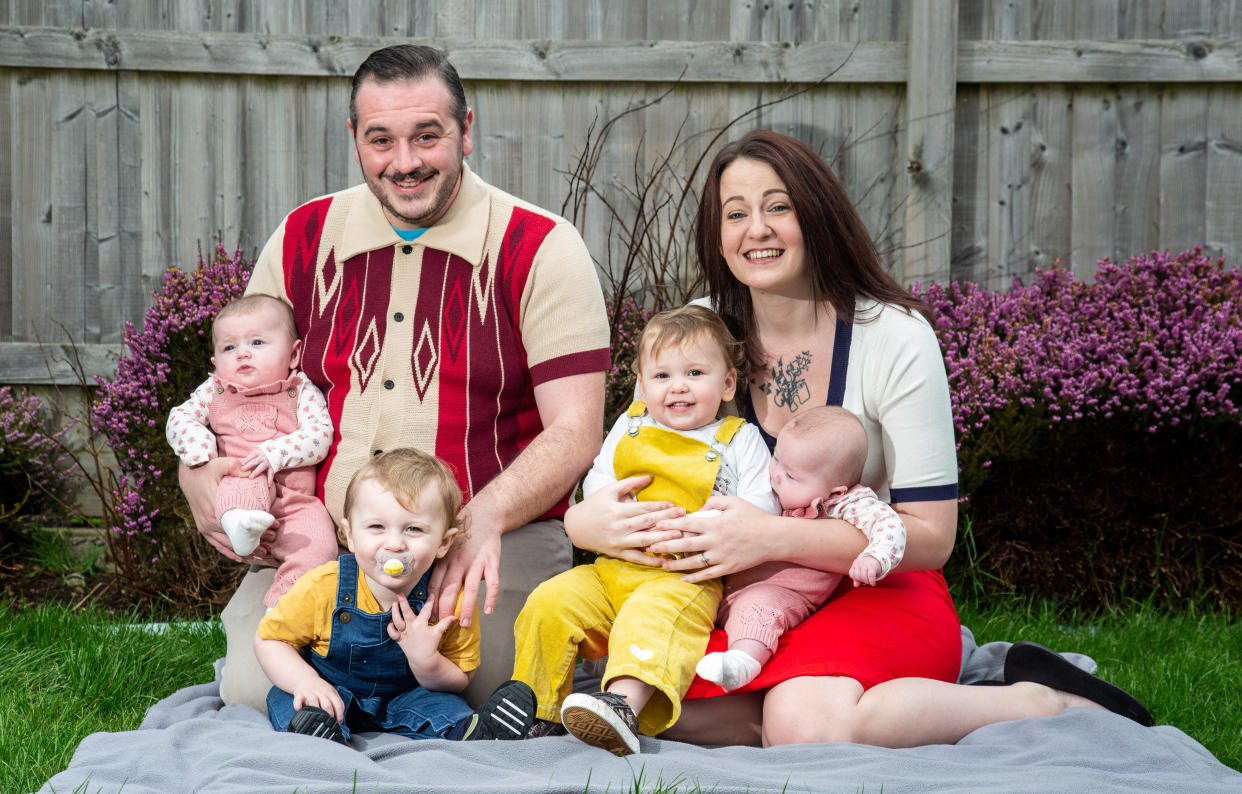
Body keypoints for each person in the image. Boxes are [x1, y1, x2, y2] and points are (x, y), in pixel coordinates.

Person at [564, 129, 1152, 750]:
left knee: (803, 727)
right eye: (735, 214)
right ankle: (794, 699)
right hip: (738, 588)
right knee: (661, 708)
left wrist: (767, 535)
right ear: (718, 235)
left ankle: (1034, 699)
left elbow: (932, 536)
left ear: (816, 216)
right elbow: (625, 456)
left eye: (778, 206)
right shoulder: (701, 326)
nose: (755, 229)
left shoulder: (895, 336)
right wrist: (586, 525)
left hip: (871, 579)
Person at [178, 44, 609, 712]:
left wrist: (486, 516)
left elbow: (577, 431)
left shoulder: (541, 247)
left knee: (486, 688)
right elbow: (241, 386)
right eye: (382, 139)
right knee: (253, 691)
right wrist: (197, 476)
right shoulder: (302, 236)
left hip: (487, 531)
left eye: (427, 136)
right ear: (355, 140)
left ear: (468, 130)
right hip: (330, 535)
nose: (405, 163)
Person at [512, 304, 779, 756]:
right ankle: (535, 710)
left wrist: (704, 524)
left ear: (728, 383)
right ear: (643, 383)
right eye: (661, 376)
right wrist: (618, 512)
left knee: (650, 618)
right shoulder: (631, 424)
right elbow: (599, 480)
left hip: (683, 578)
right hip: (613, 568)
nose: (678, 386)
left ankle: (621, 706)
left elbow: (760, 507)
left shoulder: (737, 438)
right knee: (550, 601)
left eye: (695, 373)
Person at [255, 448, 538, 743]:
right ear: (350, 535)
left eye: (413, 529)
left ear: (444, 542)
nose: (394, 544)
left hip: (407, 696)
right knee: (288, 698)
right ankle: (320, 733)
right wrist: (306, 682)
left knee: (448, 708)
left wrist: (427, 661)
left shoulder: (446, 599)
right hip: (330, 690)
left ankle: (477, 731)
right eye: (377, 527)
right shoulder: (323, 586)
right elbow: (269, 640)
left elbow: (460, 677)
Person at [696, 405, 906, 692]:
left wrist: (875, 556)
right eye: (776, 459)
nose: (776, 476)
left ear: (835, 491)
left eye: (791, 476)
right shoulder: (774, 484)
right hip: (729, 580)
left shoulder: (843, 504)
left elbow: (889, 525)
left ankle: (741, 663)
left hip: (784, 591)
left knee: (758, 608)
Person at [166, 295, 338, 607]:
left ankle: (283, 605)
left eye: (257, 343)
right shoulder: (215, 391)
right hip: (241, 481)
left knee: (319, 546)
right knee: (246, 476)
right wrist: (202, 454)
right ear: (216, 363)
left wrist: (276, 452)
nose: (243, 353)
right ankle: (240, 523)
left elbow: (320, 435)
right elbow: (180, 417)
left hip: (294, 504)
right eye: (229, 348)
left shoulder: (300, 391)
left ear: (293, 354)